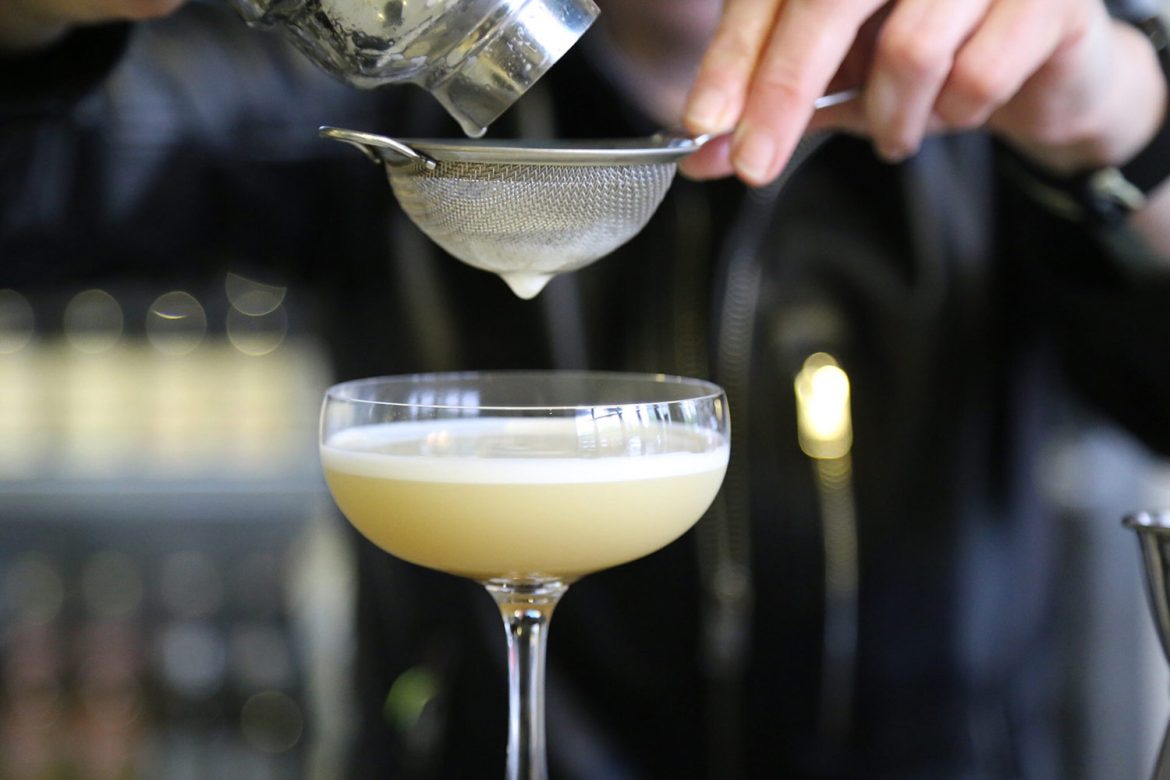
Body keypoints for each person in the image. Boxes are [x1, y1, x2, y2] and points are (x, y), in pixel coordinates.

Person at [3, 0, 1170, 777]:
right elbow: (47, 177)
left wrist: (1125, 129)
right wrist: (31, 23)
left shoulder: (985, 93)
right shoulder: (386, 65)